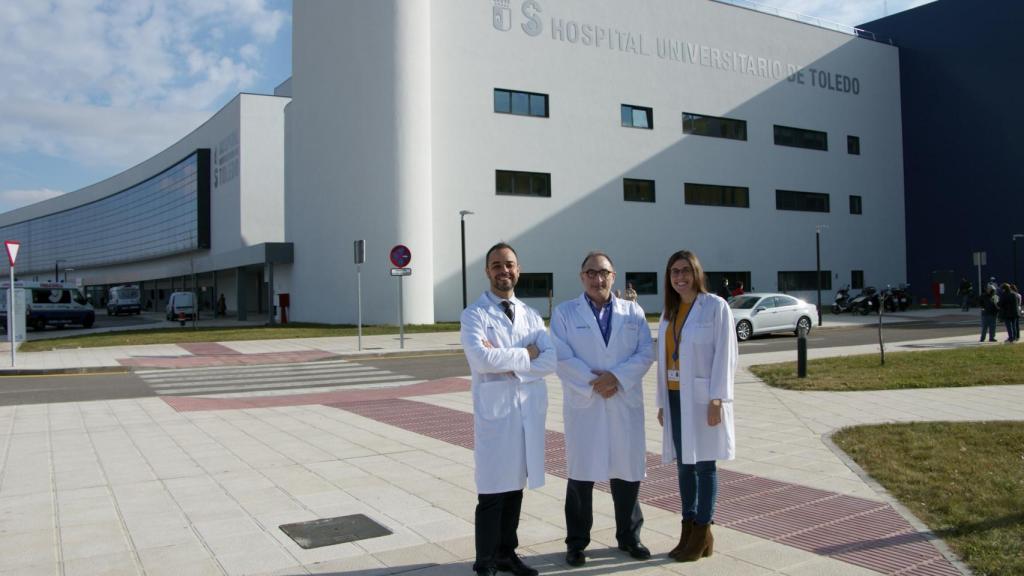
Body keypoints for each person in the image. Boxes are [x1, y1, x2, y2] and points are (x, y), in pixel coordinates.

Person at [550, 252, 654, 568]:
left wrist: (617, 378)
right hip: (587, 404)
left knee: (627, 473)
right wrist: (597, 383)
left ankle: (629, 536)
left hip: (623, 400)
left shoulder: (632, 311)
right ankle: (577, 543)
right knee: (581, 477)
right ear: (582, 277)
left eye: (604, 273)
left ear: (614, 275)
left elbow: (646, 352)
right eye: (591, 273)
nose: (598, 279)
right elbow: (560, 356)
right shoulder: (565, 313)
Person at [461, 242, 556, 576]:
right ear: (488, 271)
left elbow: (551, 360)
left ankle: (506, 554)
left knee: (515, 485)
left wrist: (506, 358)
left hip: (526, 410)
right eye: (497, 265)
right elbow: (480, 358)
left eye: (510, 265)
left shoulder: (531, 315)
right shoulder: (474, 314)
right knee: (491, 490)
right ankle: (484, 560)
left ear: (519, 270)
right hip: (495, 412)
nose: (504, 271)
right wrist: (526, 354)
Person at [656, 250, 737, 563]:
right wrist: (663, 403)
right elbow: (664, 361)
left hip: (704, 397)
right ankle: (689, 528)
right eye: (674, 272)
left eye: (685, 271)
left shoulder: (715, 306)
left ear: (697, 273)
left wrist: (718, 398)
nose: (680, 277)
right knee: (683, 465)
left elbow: (726, 355)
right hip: (675, 396)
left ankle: (702, 528)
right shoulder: (669, 311)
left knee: (704, 464)